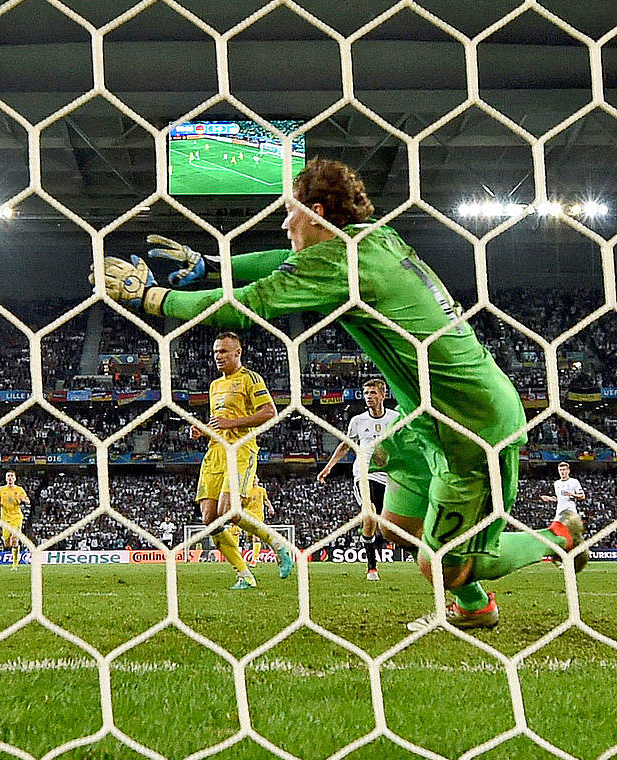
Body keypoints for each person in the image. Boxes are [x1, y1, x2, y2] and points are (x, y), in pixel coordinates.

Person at [100, 157, 587, 629]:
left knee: (440, 565)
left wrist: (153, 298)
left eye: (290, 211)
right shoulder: (374, 240)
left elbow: (249, 305)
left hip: (471, 424)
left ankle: (558, 537)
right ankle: (474, 608)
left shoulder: (342, 263)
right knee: (396, 524)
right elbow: (284, 260)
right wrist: (210, 264)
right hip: (424, 419)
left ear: (320, 214)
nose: (285, 224)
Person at [193, 333, 294, 589]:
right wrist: (203, 430)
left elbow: (270, 412)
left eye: (224, 352)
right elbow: (219, 422)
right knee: (209, 518)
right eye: (216, 352)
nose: (219, 356)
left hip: (240, 449)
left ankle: (277, 543)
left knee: (229, 510)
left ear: (238, 353)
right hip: (215, 450)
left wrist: (232, 424)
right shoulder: (215, 385)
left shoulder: (250, 379)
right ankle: (244, 575)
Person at [319, 378, 400, 581]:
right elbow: (345, 446)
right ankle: (372, 568)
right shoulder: (358, 420)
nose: (369, 397)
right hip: (364, 473)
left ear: (383, 395)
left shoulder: (396, 418)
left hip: (388, 475)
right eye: (366, 394)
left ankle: (373, 543)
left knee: (387, 523)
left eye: (373, 393)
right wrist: (328, 467)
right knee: (369, 512)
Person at [0, 470, 31, 568]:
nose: (10, 478)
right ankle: (15, 551)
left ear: (15, 478)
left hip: (16, 517)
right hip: (5, 519)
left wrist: (24, 500)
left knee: (14, 539)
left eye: (12, 476)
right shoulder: (2, 489)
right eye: (8, 476)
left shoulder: (19, 490)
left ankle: (15, 564)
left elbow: (28, 501)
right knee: (7, 543)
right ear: (6, 478)